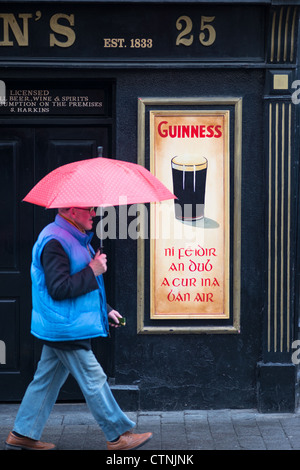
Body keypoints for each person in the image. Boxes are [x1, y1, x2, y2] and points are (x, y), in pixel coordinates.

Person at [5, 207, 152, 451]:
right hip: (65, 326)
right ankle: (118, 435)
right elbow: (59, 288)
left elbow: (76, 284)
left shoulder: (74, 238)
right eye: (89, 209)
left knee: (46, 380)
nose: (94, 213)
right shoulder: (54, 241)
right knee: (95, 379)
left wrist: (105, 309)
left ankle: (23, 433)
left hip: (64, 323)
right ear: (73, 211)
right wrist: (93, 270)